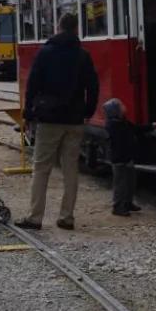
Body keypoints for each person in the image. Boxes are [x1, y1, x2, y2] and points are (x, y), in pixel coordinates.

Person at [15, 13, 99, 231]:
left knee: (41, 168)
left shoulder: (46, 53)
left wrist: (28, 115)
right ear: (76, 29)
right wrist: (87, 112)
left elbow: (32, 85)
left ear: (58, 27)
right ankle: (67, 216)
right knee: (71, 168)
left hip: (49, 119)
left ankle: (35, 217)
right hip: (74, 120)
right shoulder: (83, 55)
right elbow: (93, 86)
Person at [103, 98, 141, 217]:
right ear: (116, 111)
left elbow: (135, 129)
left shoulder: (123, 122)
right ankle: (118, 207)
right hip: (120, 159)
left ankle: (128, 202)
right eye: (121, 105)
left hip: (127, 158)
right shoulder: (113, 126)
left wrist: (151, 126)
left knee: (130, 182)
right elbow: (120, 145)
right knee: (120, 184)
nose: (124, 107)